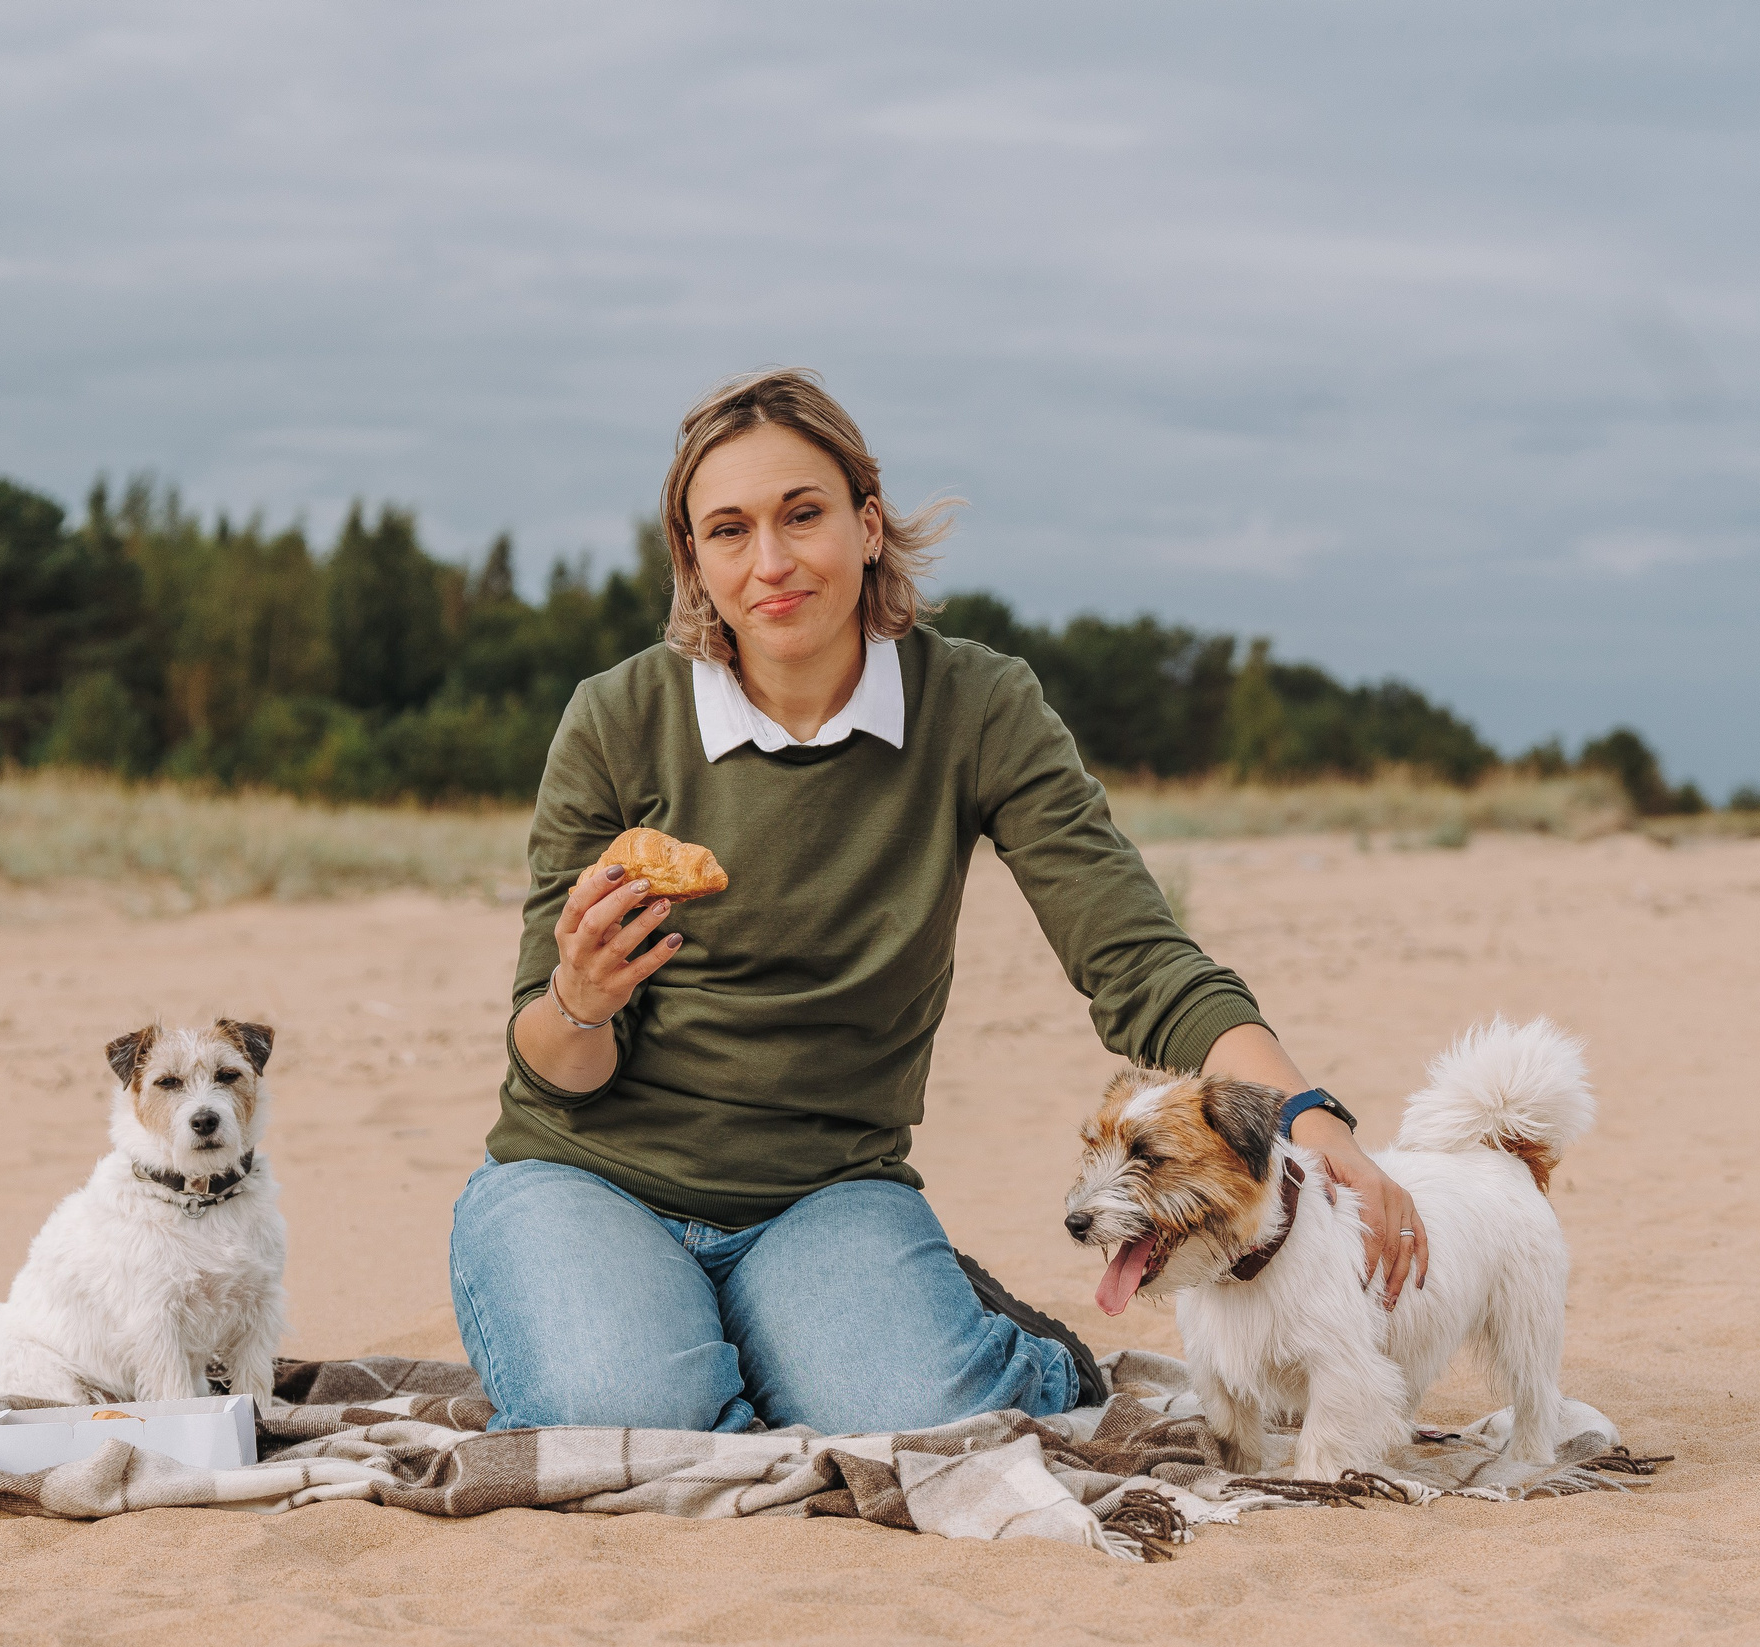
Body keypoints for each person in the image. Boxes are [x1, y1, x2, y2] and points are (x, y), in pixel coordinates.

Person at [448, 369, 1427, 1435]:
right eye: (727, 531)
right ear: (692, 560)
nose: (770, 562)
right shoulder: (615, 719)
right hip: (586, 1178)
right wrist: (581, 996)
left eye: (803, 515)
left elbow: (1134, 957)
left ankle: (1008, 1352)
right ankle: (706, 1325)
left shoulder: (976, 705)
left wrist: (1309, 1118)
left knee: (917, 1418)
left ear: (868, 525)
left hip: (825, 1190)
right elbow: (549, 1061)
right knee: (632, 1415)